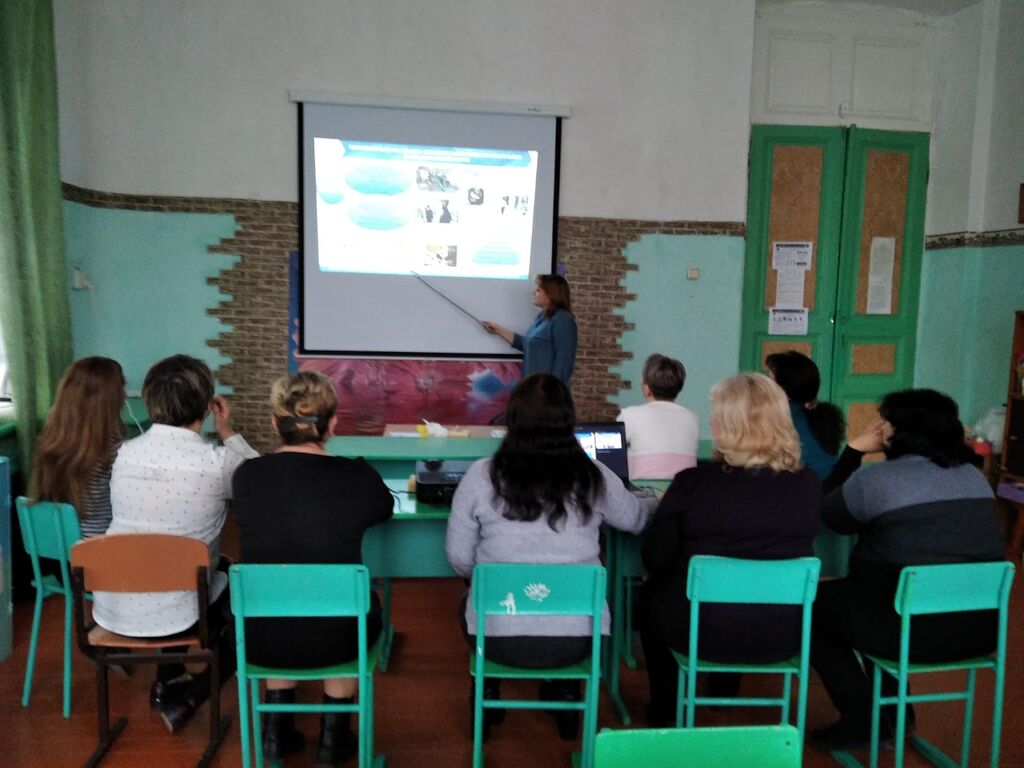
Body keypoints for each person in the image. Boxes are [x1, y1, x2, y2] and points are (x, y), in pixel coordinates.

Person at [445, 373, 655, 739]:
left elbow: (459, 558)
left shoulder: (481, 476)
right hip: (577, 639)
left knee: (470, 600)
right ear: (568, 422)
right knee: (574, 605)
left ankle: (487, 689)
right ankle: (566, 695)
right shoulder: (593, 476)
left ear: (512, 420)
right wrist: (652, 500)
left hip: (496, 636)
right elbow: (636, 521)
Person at [809, 389, 1004, 750]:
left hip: (904, 634)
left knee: (813, 604)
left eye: (885, 420)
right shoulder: (975, 479)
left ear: (901, 430)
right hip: (978, 632)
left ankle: (861, 719)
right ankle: (898, 713)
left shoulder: (876, 480)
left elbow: (828, 514)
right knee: (878, 596)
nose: (879, 426)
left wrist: (854, 451)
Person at [638, 373, 821, 726]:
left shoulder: (693, 483)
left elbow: (656, 560)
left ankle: (665, 713)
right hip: (783, 635)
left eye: (717, 417)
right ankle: (724, 691)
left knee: (650, 597)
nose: (712, 423)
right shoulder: (809, 485)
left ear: (728, 426)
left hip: (699, 633)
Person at [90, 354, 258, 732]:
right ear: (207, 406)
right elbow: (262, 480)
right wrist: (228, 431)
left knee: (180, 567)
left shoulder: (125, 454)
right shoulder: (217, 462)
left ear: (150, 401)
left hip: (115, 605)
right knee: (251, 598)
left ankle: (167, 680)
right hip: (182, 609)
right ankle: (193, 694)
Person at [233, 371, 393, 765]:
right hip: (338, 638)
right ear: (332, 424)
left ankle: (276, 733)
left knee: (280, 603)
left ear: (275, 423)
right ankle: (332, 741)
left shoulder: (247, 476)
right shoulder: (357, 476)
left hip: (260, 637)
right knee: (349, 609)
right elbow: (384, 509)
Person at [29, 357, 126, 538]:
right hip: (99, 548)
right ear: (111, 399)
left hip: (55, 546)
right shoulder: (115, 451)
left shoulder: (50, 443)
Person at [482, 274, 578, 386]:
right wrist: (498, 330)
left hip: (546, 391)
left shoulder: (563, 319)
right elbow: (526, 344)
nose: (533, 293)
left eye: (538, 290)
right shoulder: (542, 317)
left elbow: (564, 363)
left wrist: (551, 391)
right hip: (532, 388)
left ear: (551, 294)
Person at [616, 353, 699, 478]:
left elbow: (613, 452)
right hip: (683, 488)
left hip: (640, 488)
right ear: (678, 388)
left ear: (646, 388)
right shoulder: (692, 418)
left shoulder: (629, 415)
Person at [765, 350, 845, 480]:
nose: (764, 386)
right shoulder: (819, 416)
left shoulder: (779, 421)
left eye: (769, 380)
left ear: (784, 389)